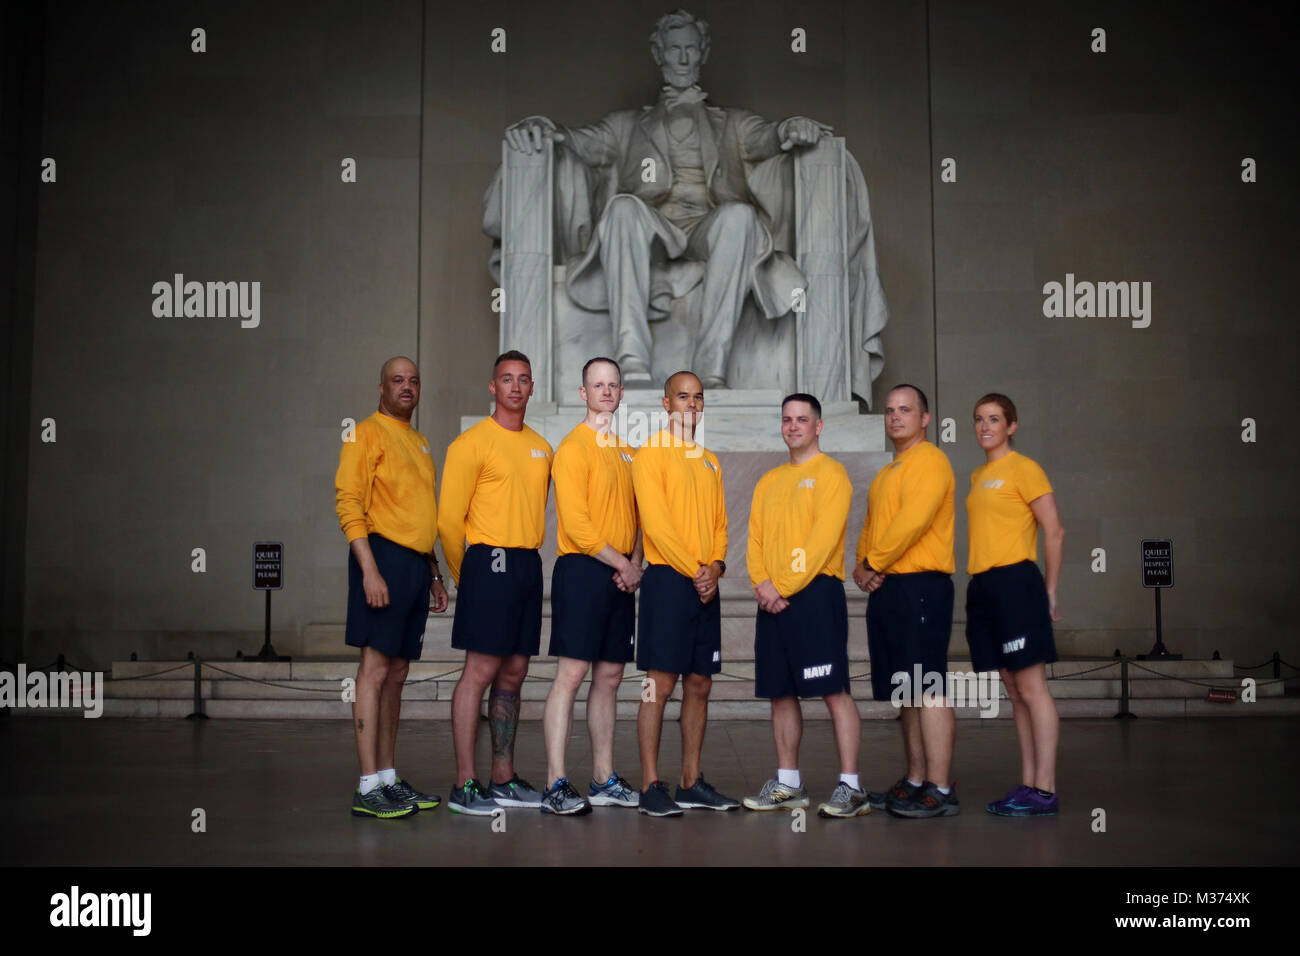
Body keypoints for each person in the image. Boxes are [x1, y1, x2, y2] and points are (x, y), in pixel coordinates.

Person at [499, 10, 833, 388]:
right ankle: (631, 358)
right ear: (659, 54)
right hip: (652, 228)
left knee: (740, 216)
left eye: (692, 48)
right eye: (675, 49)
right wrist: (545, 127)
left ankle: (711, 367)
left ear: (704, 52)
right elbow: (578, 141)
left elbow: (769, 137)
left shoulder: (733, 123)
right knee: (622, 207)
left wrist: (792, 127)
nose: (684, 58)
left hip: (707, 227)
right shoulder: (626, 125)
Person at [437, 351, 553, 816]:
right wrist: (469, 577)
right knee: (480, 672)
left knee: (514, 672)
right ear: (493, 387)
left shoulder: (543, 447)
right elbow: (448, 521)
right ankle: (466, 783)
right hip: (489, 561)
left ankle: (502, 778)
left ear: (531, 386)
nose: (516, 387)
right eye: (507, 379)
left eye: (524, 379)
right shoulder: (470, 444)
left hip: (526, 563)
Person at [743, 394, 869, 818]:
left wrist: (782, 586)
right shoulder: (768, 481)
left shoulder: (833, 475)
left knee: (833, 691)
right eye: (787, 420)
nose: (793, 426)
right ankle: (789, 783)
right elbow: (755, 540)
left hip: (815, 595)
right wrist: (762, 584)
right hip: (771, 600)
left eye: (802, 420)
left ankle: (851, 787)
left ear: (818, 426)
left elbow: (821, 542)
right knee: (781, 693)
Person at [335, 356, 449, 819]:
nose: (407, 387)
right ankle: (367, 785)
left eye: (413, 381)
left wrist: (435, 572)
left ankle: (387, 777)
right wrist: (369, 570)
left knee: (398, 673)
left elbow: (422, 515)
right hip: (380, 558)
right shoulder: (363, 433)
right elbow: (348, 503)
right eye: (397, 381)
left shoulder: (420, 442)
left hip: (415, 567)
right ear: (380, 388)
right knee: (375, 669)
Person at [540, 357, 644, 816]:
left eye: (613, 385)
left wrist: (635, 563)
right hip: (584, 571)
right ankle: (555, 783)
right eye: (597, 385)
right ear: (583, 393)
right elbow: (578, 526)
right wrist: (624, 563)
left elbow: (642, 520)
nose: (606, 391)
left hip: (622, 575)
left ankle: (603, 779)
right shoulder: (572, 448)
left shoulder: (629, 452)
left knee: (610, 676)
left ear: (621, 394)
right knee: (572, 675)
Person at [631, 371, 739, 815]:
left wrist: (714, 567)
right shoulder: (649, 454)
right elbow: (656, 525)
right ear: (666, 403)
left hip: (703, 582)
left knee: (700, 682)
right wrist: (697, 571)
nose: (691, 405)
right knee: (659, 684)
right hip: (668, 581)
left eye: (697, 398)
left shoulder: (710, 460)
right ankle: (651, 785)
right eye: (682, 397)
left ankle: (690, 782)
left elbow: (719, 526)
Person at [852, 384, 959, 818]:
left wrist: (873, 562)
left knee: (928, 686)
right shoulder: (887, 472)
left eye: (906, 410)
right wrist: (862, 567)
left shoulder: (931, 461)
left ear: (925, 418)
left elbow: (911, 523)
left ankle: (942, 787)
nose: (896, 417)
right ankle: (916, 780)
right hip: (891, 587)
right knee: (908, 689)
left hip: (922, 586)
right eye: (891, 410)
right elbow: (873, 525)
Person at [965, 393, 1064, 816]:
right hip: (984, 585)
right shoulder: (977, 476)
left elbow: (1055, 531)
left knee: (1031, 687)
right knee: (1012, 688)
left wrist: (1051, 590)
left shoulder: (1025, 469)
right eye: (978, 420)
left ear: (1011, 426)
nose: (985, 427)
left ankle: (1045, 789)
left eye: (994, 419)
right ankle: (1027, 782)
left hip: (1016, 583)